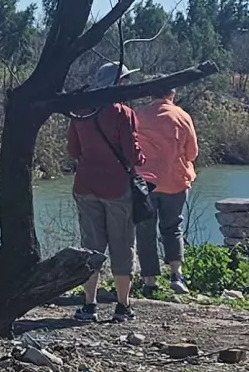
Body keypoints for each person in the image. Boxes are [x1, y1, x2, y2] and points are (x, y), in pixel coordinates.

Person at [65, 61, 143, 323]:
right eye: (125, 81)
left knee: (91, 247)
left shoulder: (80, 111)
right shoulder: (123, 113)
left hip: (86, 185)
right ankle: (122, 306)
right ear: (117, 84)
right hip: (117, 187)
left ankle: (89, 305)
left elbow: (73, 152)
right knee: (122, 246)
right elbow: (132, 154)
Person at [131, 86, 200, 294]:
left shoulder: (138, 115)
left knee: (145, 230)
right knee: (173, 227)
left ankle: (149, 280)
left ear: (151, 95)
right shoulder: (182, 116)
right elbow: (192, 153)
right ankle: (176, 274)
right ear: (172, 94)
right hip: (175, 181)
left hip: (145, 183)